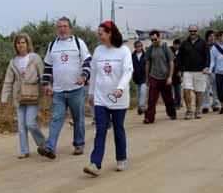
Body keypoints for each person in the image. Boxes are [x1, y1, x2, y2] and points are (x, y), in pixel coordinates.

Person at [83, 20, 133, 176]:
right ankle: (95, 163)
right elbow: (95, 73)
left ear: (110, 33)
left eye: (101, 33)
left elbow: (127, 72)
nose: (99, 36)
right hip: (100, 98)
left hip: (119, 98)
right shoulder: (98, 51)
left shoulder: (124, 51)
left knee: (118, 129)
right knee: (101, 129)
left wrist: (120, 88)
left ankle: (121, 158)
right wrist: (91, 93)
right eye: (98, 33)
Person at [38, 17, 92, 159]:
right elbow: (48, 66)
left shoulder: (78, 43)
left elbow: (87, 61)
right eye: (59, 26)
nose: (62, 29)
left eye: (65, 26)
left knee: (78, 118)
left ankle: (79, 145)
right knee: (56, 118)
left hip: (76, 90)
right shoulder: (52, 45)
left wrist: (84, 76)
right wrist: (46, 84)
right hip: (58, 91)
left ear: (70, 28)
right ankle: (50, 147)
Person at [1, 33, 45, 159]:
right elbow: (8, 81)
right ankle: (24, 150)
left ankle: (43, 143)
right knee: (21, 125)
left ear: (27, 44)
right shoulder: (13, 62)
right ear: (15, 45)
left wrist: (46, 89)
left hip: (33, 95)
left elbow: (42, 76)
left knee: (30, 123)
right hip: (19, 97)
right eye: (18, 43)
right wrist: (4, 97)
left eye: (23, 42)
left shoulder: (35, 58)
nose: (20, 45)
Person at [143, 30, 177, 124]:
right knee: (151, 99)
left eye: (155, 39)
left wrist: (170, 77)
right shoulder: (150, 49)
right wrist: (147, 78)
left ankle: (172, 113)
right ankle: (149, 118)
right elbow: (147, 63)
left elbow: (171, 62)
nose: (154, 41)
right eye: (152, 40)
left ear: (159, 37)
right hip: (154, 77)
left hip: (165, 77)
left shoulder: (165, 48)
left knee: (168, 98)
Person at [177, 25, 210, 120]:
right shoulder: (184, 43)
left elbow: (207, 56)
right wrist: (179, 70)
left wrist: (206, 67)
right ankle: (189, 111)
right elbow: (179, 58)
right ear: (189, 31)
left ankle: (198, 111)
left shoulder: (203, 43)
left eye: (194, 31)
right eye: (191, 31)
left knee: (199, 92)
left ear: (197, 31)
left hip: (200, 71)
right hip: (187, 71)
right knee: (186, 90)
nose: (193, 33)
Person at [201, 30, 220, 113]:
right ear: (207, 37)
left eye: (213, 36)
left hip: (216, 70)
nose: (212, 37)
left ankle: (215, 104)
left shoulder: (218, 46)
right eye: (210, 36)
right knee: (206, 88)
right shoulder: (203, 46)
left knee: (216, 88)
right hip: (206, 69)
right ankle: (205, 105)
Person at [132, 40, 147, 115]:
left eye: (139, 46)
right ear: (134, 47)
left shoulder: (146, 55)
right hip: (136, 77)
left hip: (144, 77)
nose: (138, 48)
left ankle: (141, 106)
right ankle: (141, 107)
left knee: (143, 92)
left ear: (141, 46)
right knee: (138, 93)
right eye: (136, 46)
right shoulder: (132, 56)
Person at [170, 39, 182, 109]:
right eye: (175, 45)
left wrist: (181, 72)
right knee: (170, 91)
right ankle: (172, 104)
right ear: (173, 44)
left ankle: (178, 104)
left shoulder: (181, 52)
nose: (177, 46)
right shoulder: (169, 51)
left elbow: (182, 63)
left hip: (178, 74)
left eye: (178, 45)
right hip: (170, 74)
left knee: (178, 91)